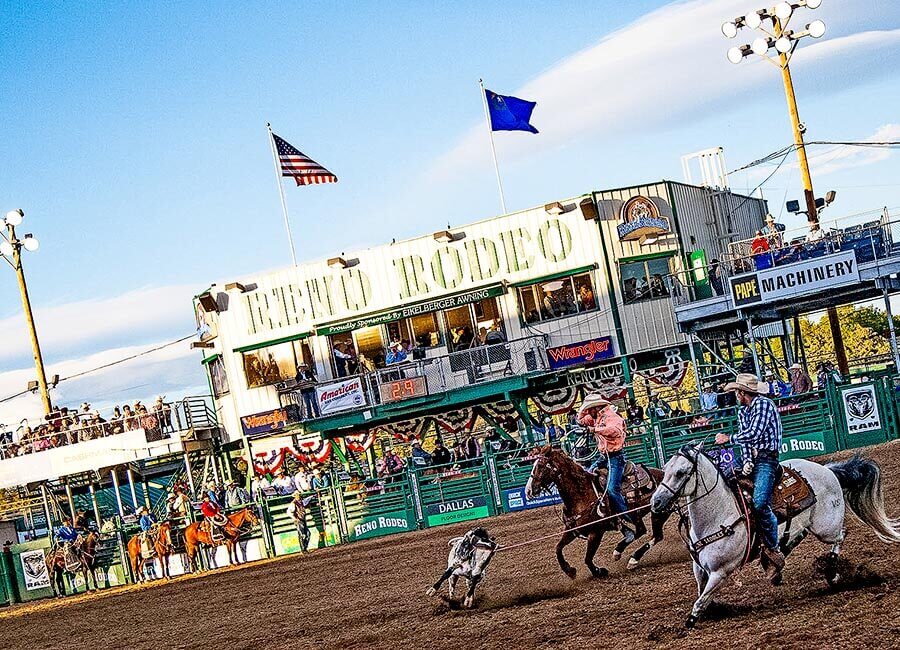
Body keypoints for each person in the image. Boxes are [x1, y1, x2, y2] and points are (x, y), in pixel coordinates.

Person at [715, 373, 785, 584]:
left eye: (737, 391)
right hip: (755, 460)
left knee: (760, 503)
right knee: (726, 486)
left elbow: (753, 434)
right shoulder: (743, 411)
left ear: (743, 392)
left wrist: (729, 438)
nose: (735, 395)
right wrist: (746, 461)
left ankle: (773, 548)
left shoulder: (764, 405)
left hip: (767, 459)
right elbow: (746, 439)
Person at [576, 393, 635, 544]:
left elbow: (614, 431)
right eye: (587, 410)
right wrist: (585, 409)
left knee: (612, 489)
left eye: (590, 409)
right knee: (587, 477)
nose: (588, 413)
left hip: (616, 457)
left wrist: (594, 430)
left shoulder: (612, 416)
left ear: (596, 407)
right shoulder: (595, 417)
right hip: (604, 457)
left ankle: (627, 519)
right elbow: (580, 420)